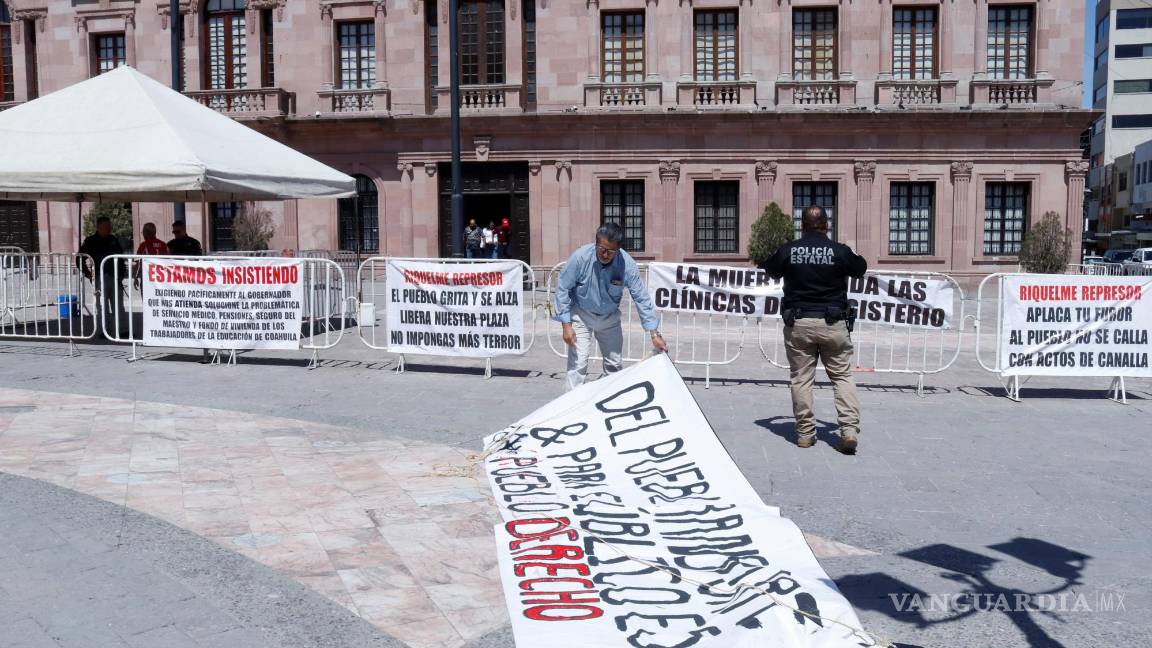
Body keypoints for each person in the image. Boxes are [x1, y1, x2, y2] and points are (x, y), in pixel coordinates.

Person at [761, 205, 868, 454]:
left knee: (801, 379)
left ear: (803, 225)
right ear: (826, 225)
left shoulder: (790, 250)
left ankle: (806, 434)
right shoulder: (838, 251)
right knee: (842, 376)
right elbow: (860, 268)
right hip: (833, 323)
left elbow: (770, 268)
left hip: (799, 323)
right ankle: (849, 431)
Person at [554, 222, 667, 391]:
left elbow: (641, 298)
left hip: (609, 318)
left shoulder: (627, 264)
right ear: (596, 243)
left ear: (618, 249)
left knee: (614, 366)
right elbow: (562, 287)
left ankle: (611, 406)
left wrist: (654, 334)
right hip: (581, 315)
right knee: (577, 366)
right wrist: (566, 325)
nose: (605, 254)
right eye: (602, 249)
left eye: (611, 251)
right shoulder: (580, 258)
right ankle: (570, 408)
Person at [79, 216, 126, 338]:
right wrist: (88, 273)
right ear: (99, 227)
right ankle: (105, 331)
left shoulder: (113, 240)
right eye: (106, 227)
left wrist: (122, 274)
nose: (109, 229)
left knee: (118, 305)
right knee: (102, 306)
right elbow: (80, 258)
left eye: (110, 226)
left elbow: (121, 258)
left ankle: (122, 331)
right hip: (100, 278)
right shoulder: (90, 241)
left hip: (115, 277)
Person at [133, 222, 169, 291]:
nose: (142, 234)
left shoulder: (143, 245)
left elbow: (138, 263)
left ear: (146, 233)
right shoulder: (163, 244)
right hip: (162, 277)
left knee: (147, 300)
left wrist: (135, 277)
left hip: (147, 277)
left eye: (143, 232)